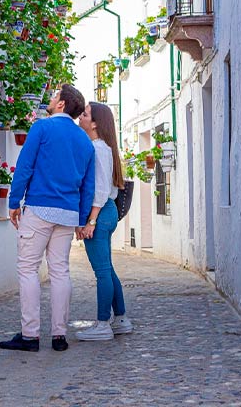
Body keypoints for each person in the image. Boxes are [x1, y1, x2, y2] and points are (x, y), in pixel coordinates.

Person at [0, 84, 96, 353]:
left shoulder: (41, 128)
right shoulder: (84, 141)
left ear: (62, 104)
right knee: (60, 271)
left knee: (28, 268)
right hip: (67, 213)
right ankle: (59, 335)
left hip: (40, 208)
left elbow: (25, 167)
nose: (51, 100)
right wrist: (81, 218)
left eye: (55, 96)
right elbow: (88, 185)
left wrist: (14, 201)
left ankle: (30, 335)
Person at [75, 102, 133, 340]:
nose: (81, 116)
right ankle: (120, 319)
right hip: (107, 211)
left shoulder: (98, 150)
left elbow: (98, 189)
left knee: (101, 272)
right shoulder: (102, 148)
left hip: (99, 211)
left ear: (96, 123)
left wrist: (91, 221)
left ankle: (102, 324)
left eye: (85, 114)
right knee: (107, 269)